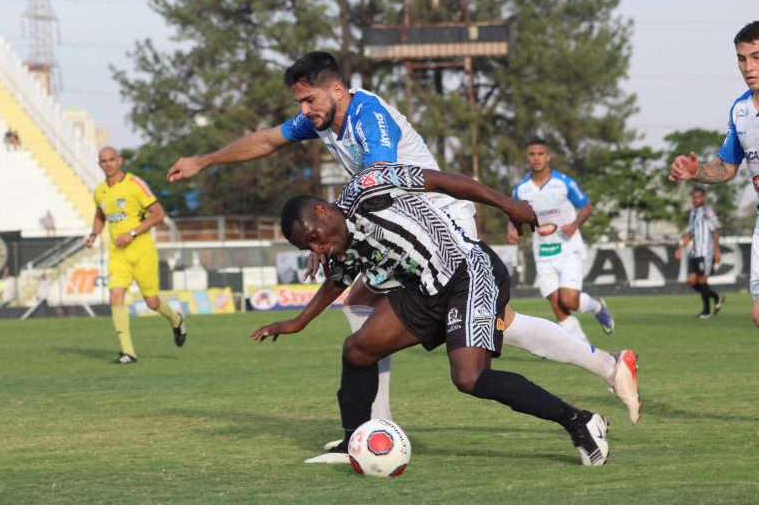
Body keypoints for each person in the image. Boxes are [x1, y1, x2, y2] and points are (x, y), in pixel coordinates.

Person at [167, 51, 641, 428]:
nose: (303, 110)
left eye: (309, 100)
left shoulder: (368, 114)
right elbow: (268, 140)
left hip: (440, 220)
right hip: (402, 226)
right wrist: (205, 161)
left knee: (401, 312)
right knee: (490, 322)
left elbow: (380, 179)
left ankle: (376, 426)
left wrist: (331, 233)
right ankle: (609, 368)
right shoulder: (322, 120)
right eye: (299, 103)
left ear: (336, 89)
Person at [252, 163, 612, 466]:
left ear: (323, 211)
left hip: (468, 272)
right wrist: (298, 322)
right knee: (358, 350)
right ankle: (353, 443)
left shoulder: (369, 186)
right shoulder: (339, 243)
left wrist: (507, 204)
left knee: (469, 378)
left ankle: (579, 420)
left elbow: (440, 181)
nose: (319, 248)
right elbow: (337, 280)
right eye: (309, 248)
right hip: (424, 289)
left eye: (315, 238)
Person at [668, 20, 759, 326]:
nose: (748, 67)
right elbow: (727, 168)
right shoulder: (740, 110)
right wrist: (696, 171)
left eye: (756, 57)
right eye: (742, 59)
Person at [87, 146, 188, 364]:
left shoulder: (135, 184)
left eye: (111, 159)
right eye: (103, 161)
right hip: (117, 254)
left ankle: (176, 319)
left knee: (152, 302)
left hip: (141, 251)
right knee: (115, 297)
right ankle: (128, 352)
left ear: (120, 160)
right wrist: (94, 234)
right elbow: (99, 216)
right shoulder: (100, 192)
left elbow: (158, 214)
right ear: (99, 164)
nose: (108, 164)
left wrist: (131, 233)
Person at [508, 137, 614, 343]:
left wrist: (574, 225)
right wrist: (512, 228)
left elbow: (587, 206)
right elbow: (513, 214)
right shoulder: (520, 189)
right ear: (527, 157)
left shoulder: (564, 183)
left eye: (540, 154)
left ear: (548, 157)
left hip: (568, 249)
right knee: (556, 304)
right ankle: (584, 348)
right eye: (532, 154)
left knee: (569, 300)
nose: (536, 158)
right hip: (543, 252)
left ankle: (597, 306)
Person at [674, 187, 725, 319]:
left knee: (702, 281)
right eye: (693, 197)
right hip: (695, 252)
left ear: (703, 198)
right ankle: (717, 297)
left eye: (698, 197)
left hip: (705, 252)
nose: (695, 200)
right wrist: (681, 248)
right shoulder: (693, 213)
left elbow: (716, 230)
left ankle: (706, 311)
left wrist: (717, 250)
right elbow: (690, 232)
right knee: (691, 281)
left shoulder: (707, 211)